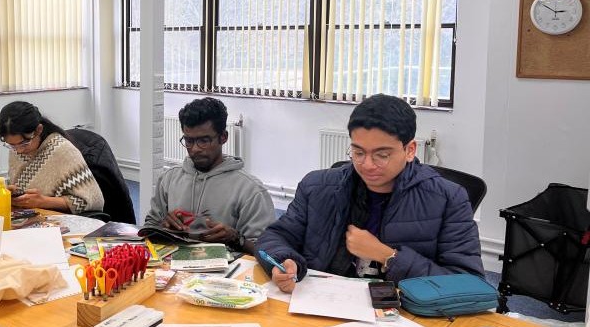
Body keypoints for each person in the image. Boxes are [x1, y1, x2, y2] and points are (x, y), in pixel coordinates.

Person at [256, 94, 484, 292]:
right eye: (358, 152)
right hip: (323, 307)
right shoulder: (318, 187)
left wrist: (389, 257)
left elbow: (469, 284)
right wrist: (285, 261)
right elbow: (275, 237)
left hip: (403, 318)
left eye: (381, 155)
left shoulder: (447, 199)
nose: (367, 164)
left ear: (410, 150)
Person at [144, 97, 276, 250]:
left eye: (204, 141)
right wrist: (164, 225)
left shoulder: (251, 191)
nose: (195, 149)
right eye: (189, 141)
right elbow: (149, 229)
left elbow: (267, 251)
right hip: (172, 269)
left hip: (226, 271)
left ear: (223, 137)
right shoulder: (169, 180)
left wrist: (235, 239)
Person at [0, 101, 104, 214]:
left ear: (39, 130)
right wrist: (9, 193)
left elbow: (93, 201)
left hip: (58, 221)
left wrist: (43, 201)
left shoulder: (63, 151)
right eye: (11, 145)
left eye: (24, 143)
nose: (18, 150)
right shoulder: (16, 149)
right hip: (28, 216)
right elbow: (17, 187)